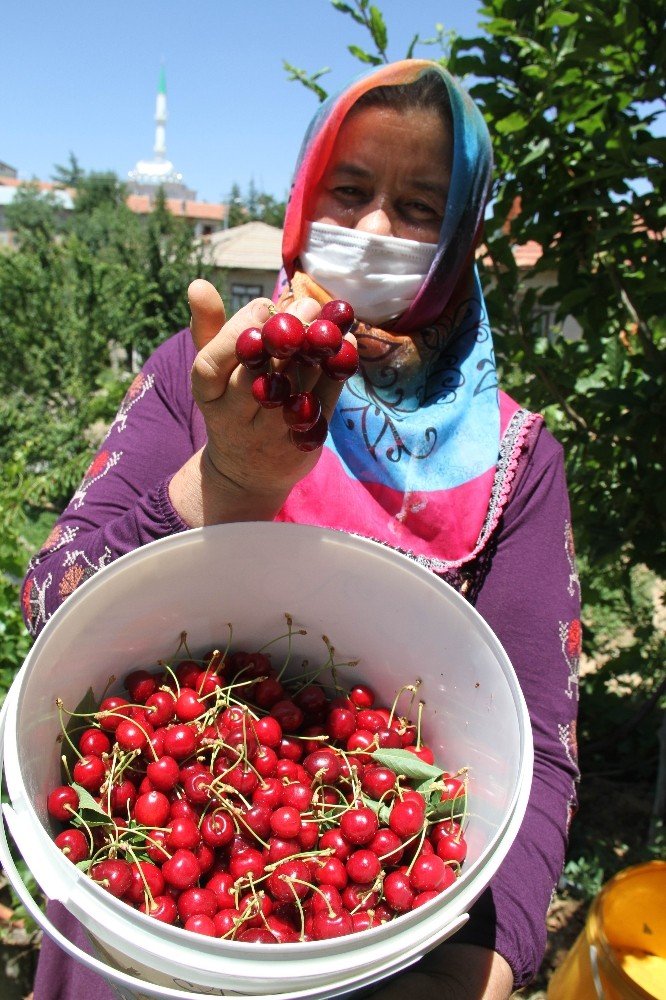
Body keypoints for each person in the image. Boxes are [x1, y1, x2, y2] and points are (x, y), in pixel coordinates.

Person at [22, 59, 581, 1000]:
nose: (371, 234)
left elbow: (539, 752)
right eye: (350, 192)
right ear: (302, 207)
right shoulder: (201, 380)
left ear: (462, 240)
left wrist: (475, 967)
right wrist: (225, 479)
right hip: (142, 936)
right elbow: (52, 609)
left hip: (361, 952)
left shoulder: (517, 463)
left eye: (419, 210)